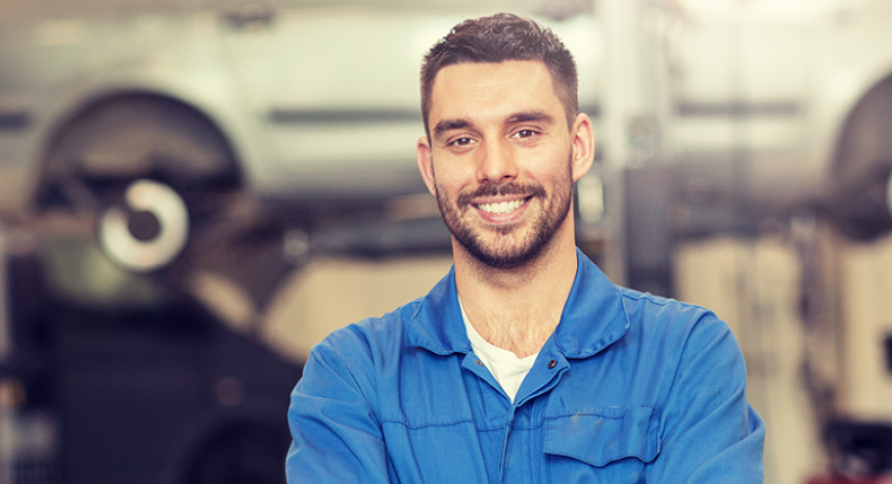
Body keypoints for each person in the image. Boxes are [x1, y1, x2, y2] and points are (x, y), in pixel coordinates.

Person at [286, 13, 765, 483]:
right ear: (429, 166)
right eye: (462, 139)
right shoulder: (354, 378)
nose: (495, 167)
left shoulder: (685, 356)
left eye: (525, 132)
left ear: (578, 147)